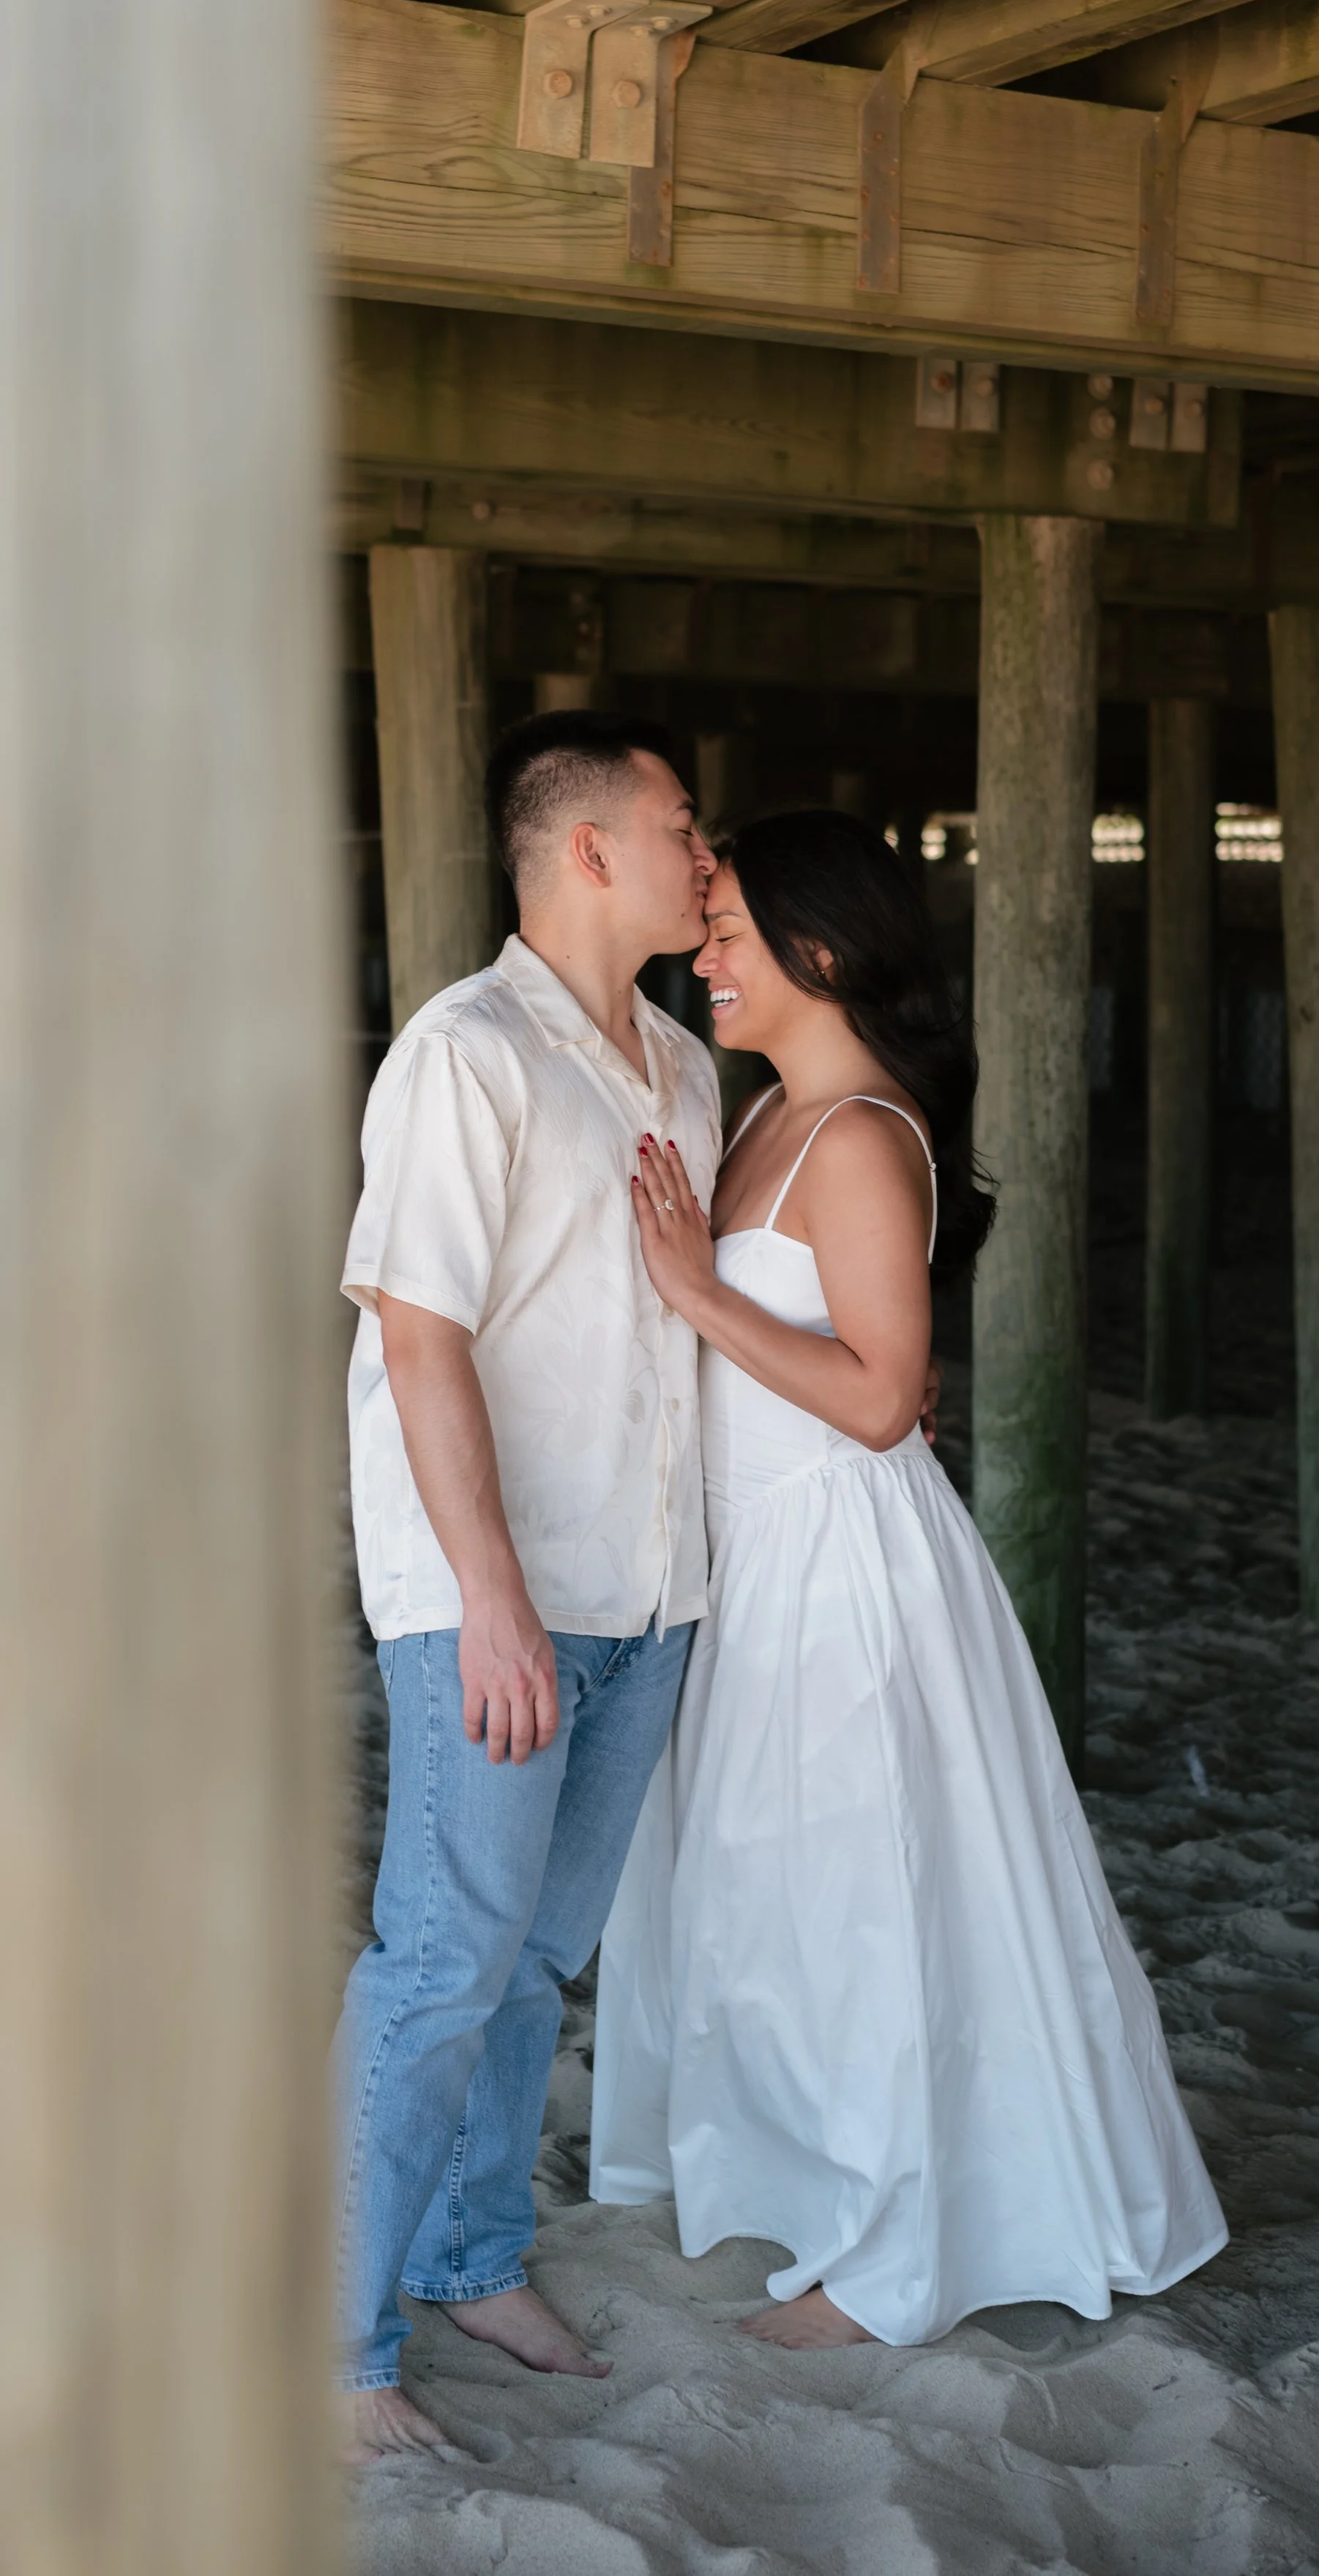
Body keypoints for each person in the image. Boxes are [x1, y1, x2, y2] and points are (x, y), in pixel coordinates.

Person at [590, 808, 1227, 2349]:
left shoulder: (861, 1134)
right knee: (762, 1897)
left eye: (731, 929)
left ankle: (890, 2240)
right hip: (748, 1554)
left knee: (856, 1901)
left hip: (833, 1556)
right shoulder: (760, 1119)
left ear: (820, 950)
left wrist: (687, 1290)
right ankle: (805, 2180)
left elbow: (880, 1395)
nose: (707, 955)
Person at [335, 711, 721, 2457]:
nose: (703, 859)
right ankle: (332, 2345)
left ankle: (472, 2256)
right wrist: (488, 1597)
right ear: (588, 850)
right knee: (438, 1965)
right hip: (495, 1595)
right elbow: (419, 1336)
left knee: (534, 1961)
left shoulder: (684, 1063)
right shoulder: (463, 1052)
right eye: (681, 827)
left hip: (647, 1592)